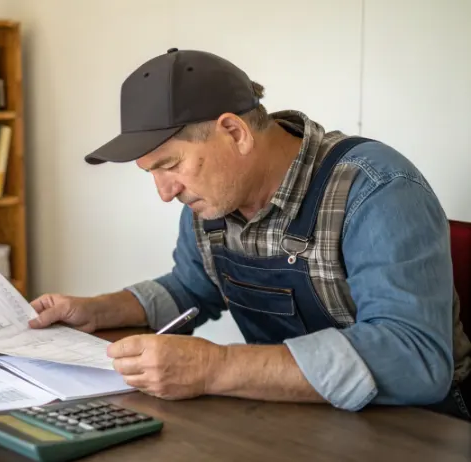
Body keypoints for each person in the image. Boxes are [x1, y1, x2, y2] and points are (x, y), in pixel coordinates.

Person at [28, 47, 471, 421]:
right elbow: (190, 288)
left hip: (413, 426)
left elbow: (415, 359)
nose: (165, 193)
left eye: (170, 166)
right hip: (291, 415)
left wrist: (215, 366)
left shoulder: (376, 189)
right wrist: (95, 310)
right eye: (152, 173)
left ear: (235, 133)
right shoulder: (211, 201)